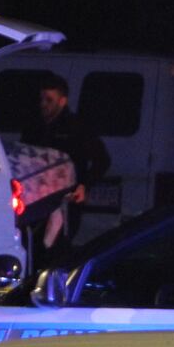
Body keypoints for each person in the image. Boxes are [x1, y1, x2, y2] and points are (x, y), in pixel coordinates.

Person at [20, 77, 109, 259]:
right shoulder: (34, 127)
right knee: (33, 250)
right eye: (42, 99)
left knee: (57, 252)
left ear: (62, 101)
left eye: (49, 100)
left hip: (66, 202)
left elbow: (102, 160)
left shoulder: (77, 128)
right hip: (36, 201)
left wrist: (84, 185)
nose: (43, 104)